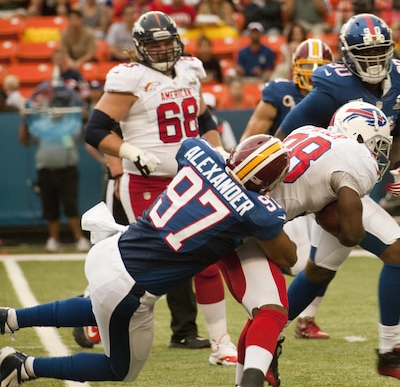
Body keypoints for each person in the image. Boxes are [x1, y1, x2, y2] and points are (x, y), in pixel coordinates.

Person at [0, 135, 296, 387]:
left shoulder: (197, 150)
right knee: (121, 370)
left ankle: (10, 318)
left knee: (99, 309)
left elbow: (197, 158)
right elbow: (288, 257)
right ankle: (24, 368)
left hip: (111, 249)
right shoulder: (258, 213)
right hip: (131, 286)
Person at [275, 13, 400, 383]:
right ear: (347, 56)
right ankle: (390, 351)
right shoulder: (331, 86)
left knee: (316, 273)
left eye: (381, 52)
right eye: (367, 53)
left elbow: (399, 132)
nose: (376, 61)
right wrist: (301, 190)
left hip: (353, 184)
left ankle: (263, 337)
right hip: (332, 186)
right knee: (398, 251)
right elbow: (284, 137)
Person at [83, 11, 233, 360]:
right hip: (145, 184)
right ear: (140, 48)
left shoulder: (190, 69)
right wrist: (131, 151)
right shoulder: (130, 78)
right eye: (156, 44)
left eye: (169, 42)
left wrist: (218, 148)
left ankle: (220, 343)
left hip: (191, 179)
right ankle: (91, 307)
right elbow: (95, 129)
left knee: (207, 258)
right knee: (145, 264)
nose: (165, 50)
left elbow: (203, 117)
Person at [240, 38, 334, 339]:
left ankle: (306, 318)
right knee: (299, 262)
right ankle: (273, 311)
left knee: (327, 257)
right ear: (295, 70)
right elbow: (252, 132)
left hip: (320, 186)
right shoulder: (281, 94)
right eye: (309, 68)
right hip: (283, 185)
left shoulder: (339, 95)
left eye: (322, 69)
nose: (315, 74)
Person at [18, 83, 92, 253]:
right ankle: (53, 240)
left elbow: (87, 135)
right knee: (50, 207)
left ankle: (79, 239)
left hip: (67, 170)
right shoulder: (41, 127)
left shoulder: (72, 126)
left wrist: (85, 118)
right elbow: (24, 141)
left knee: (70, 205)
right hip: (46, 171)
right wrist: (24, 121)